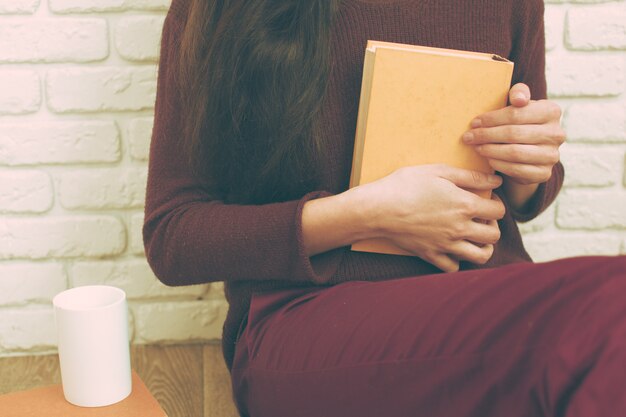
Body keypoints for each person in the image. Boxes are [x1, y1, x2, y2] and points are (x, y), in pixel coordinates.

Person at [143, 0, 626, 416]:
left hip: (482, 300)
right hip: (306, 323)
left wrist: (528, 161)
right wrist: (367, 214)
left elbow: (522, 197)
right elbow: (174, 236)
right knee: (608, 309)